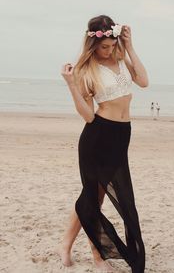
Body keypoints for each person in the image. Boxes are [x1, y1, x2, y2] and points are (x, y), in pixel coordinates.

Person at [60, 15, 149, 273]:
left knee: (92, 197)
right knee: (94, 199)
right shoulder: (86, 71)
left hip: (121, 137)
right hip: (98, 137)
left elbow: (143, 81)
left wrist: (130, 47)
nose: (108, 51)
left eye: (112, 45)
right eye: (103, 47)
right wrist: (71, 85)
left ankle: (64, 245)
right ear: (92, 44)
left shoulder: (121, 59)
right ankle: (96, 255)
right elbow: (88, 115)